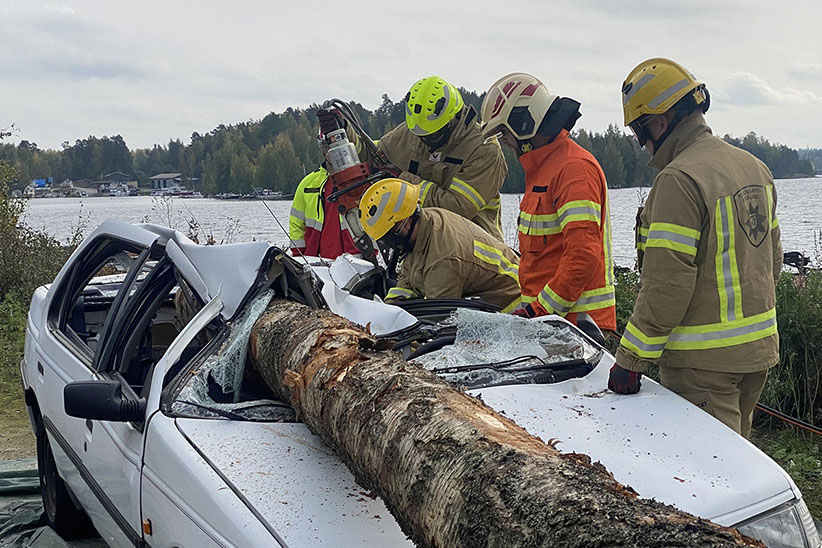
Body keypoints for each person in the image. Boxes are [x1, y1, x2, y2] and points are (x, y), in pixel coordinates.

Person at [609, 58, 782, 439]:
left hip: (702, 364)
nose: (642, 144)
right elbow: (772, 262)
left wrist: (630, 359)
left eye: (640, 131)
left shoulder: (678, 179)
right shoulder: (755, 168)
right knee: (743, 460)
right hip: (757, 352)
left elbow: (667, 285)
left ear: (659, 122)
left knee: (714, 473)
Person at [479, 73, 616, 332]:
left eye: (504, 132)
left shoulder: (573, 169)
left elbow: (583, 256)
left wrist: (539, 311)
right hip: (550, 325)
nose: (505, 141)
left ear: (523, 122)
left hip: (579, 330)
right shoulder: (543, 169)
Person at [321, 76, 507, 241]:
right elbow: (374, 159)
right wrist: (344, 134)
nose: (425, 140)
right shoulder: (413, 133)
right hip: (421, 248)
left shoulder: (484, 150)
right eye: (420, 135)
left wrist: (400, 181)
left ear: (453, 119)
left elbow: (456, 209)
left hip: (474, 250)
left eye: (432, 135)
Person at [358, 178, 521, 312]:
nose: (389, 244)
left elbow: (440, 316)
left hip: (510, 306)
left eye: (388, 238)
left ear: (404, 223)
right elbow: (408, 279)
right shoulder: (425, 223)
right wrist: (388, 312)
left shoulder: (443, 257)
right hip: (488, 299)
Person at [288, 163, 360, 259]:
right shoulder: (307, 183)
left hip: (356, 259)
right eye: (326, 146)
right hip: (316, 261)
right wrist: (299, 255)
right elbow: (296, 223)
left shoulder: (360, 181)